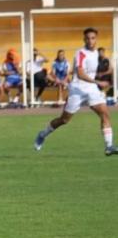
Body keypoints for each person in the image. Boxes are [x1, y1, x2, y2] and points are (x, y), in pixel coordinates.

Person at [34, 27, 115, 156]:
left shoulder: (96, 54)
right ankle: (43, 134)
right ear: (84, 39)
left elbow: (94, 70)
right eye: (88, 38)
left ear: (96, 39)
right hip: (77, 90)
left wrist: (100, 76)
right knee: (64, 120)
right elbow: (81, 74)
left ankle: (109, 146)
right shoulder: (80, 53)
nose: (90, 40)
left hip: (92, 90)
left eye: (93, 38)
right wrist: (98, 82)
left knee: (104, 114)